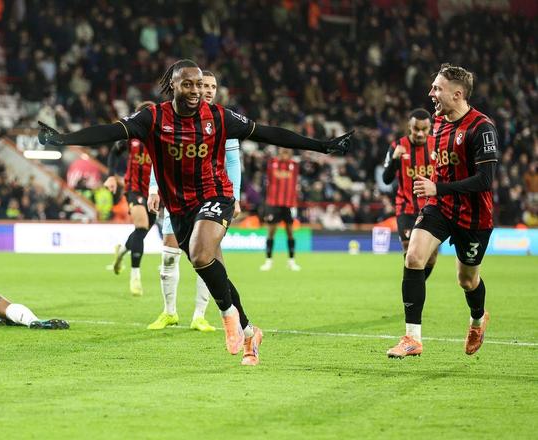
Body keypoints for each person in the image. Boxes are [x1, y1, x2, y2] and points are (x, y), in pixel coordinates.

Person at [38, 59, 352, 366]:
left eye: (199, 85)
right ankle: (249, 333)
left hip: (216, 195)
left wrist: (321, 146)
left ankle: (228, 317)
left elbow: (268, 133)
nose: (195, 91)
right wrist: (64, 139)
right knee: (215, 271)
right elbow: (110, 132)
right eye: (187, 84)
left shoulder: (218, 116)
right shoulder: (153, 118)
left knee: (201, 256)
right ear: (172, 85)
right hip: (180, 208)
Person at [387, 64, 497, 358]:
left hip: (474, 216)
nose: (431, 93)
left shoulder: (481, 128)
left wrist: (438, 187)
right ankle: (412, 338)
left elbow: (485, 180)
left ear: (457, 94)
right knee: (413, 257)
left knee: (467, 280)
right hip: (440, 207)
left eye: (437, 88)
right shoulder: (437, 122)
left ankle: (477, 321)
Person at [145, 70, 241, 332]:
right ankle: (169, 312)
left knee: (205, 257)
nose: (207, 90)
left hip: (209, 197)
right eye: (203, 85)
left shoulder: (222, 120)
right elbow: (160, 157)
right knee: (169, 253)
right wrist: (154, 188)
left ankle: (200, 314)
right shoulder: (171, 117)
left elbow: (233, 162)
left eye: (212, 87)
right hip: (176, 198)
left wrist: (235, 196)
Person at [104, 101, 156, 296]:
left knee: (140, 232)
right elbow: (114, 153)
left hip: (154, 192)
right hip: (134, 189)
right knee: (141, 227)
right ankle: (135, 277)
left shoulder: (162, 138)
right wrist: (111, 176)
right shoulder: (131, 136)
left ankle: (121, 252)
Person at [382, 108, 439, 275]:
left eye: (424, 129)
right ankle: (411, 289)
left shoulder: (437, 145)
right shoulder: (397, 146)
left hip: (432, 208)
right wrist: (394, 159)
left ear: (430, 127)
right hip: (406, 208)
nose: (420, 133)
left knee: (431, 257)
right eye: (416, 129)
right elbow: (386, 179)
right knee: (410, 252)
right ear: (409, 126)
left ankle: (416, 286)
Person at [259, 147, 301, 271]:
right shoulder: (272, 163)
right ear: (279, 152)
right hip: (273, 203)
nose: (285, 154)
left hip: (288, 204)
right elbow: (262, 164)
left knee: (290, 232)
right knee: (271, 232)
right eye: (283, 151)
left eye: (288, 151)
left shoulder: (294, 165)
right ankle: (268, 261)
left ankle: (291, 261)